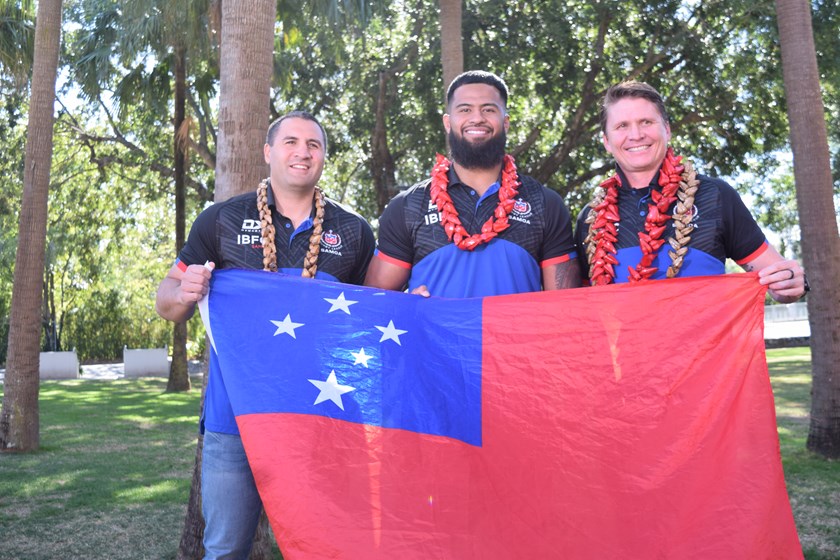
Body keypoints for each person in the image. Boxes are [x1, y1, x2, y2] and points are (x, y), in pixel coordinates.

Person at [155, 111, 375, 559]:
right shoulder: (221, 220)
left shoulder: (353, 231)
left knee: (327, 546)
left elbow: (373, 312)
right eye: (291, 141)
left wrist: (418, 305)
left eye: (314, 145)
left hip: (321, 416)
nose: (303, 152)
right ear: (268, 152)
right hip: (235, 418)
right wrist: (185, 291)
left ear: (323, 158)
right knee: (225, 548)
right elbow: (165, 300)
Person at [575, 80, 807, 302]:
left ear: (667, 129)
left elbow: (777, 279)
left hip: (708, 344)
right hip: (625, 345)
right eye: (622, 126)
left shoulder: (715, 195)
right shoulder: (591, 219)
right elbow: (584, 307)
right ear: (606, 141)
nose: (636, 135)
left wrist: (790, 283)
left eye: (646, 122)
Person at [365, 70, 581, 297]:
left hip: (511, 333)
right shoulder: (408, 206)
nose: (477, 118)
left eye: (488, 109)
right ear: (448, 123)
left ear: (505, 122)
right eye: (465, 109)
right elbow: (374, 301)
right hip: (433, 333)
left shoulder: (544, 203)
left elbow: (565, 306)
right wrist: (406, 307)